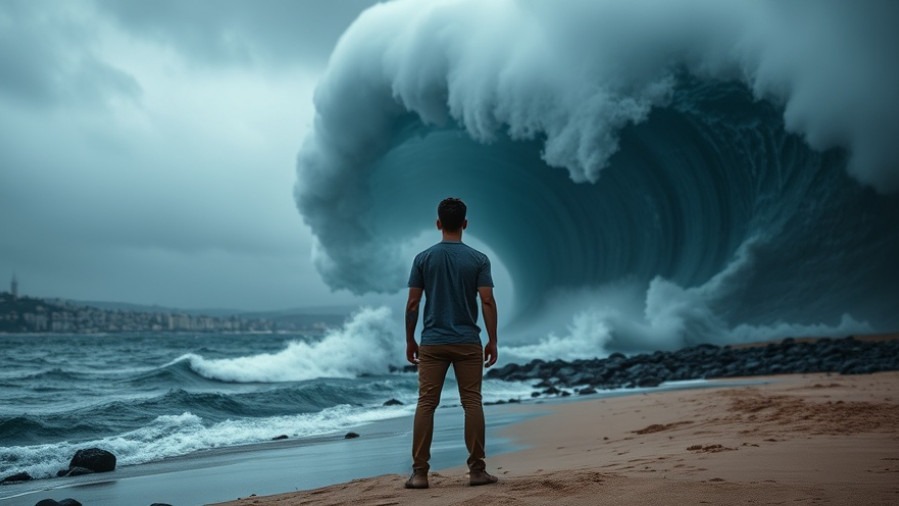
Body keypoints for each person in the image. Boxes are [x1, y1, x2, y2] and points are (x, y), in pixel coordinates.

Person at [404, 197, 499, 490]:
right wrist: (492, 340)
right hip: (468, 341)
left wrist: (410, 339)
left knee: (426, 403)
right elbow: (486, 300)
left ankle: (420, 474)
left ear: (438, 224)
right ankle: (477, 471)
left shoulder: (423, 258)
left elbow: (412, 304)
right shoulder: (478, 259)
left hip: (432, 342)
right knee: (472, 402)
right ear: (465, 224)